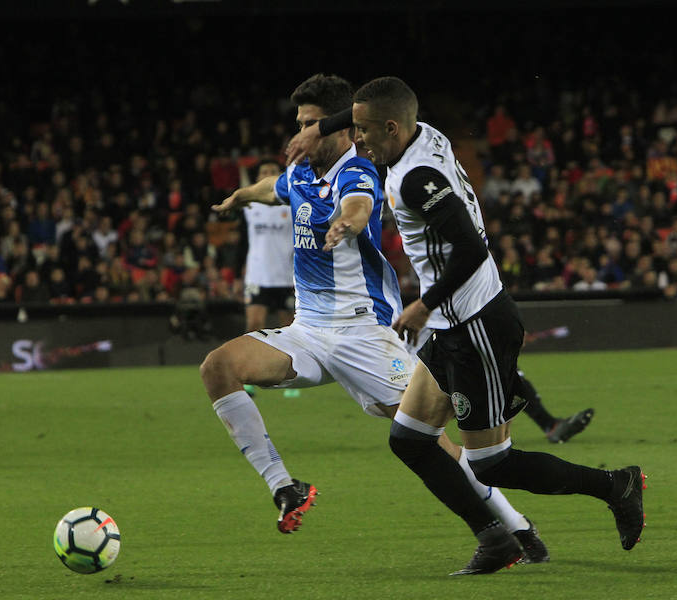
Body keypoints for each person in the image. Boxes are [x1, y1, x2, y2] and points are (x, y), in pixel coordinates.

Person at [286, 76, 646, 575]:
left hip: (475, 325)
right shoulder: (423, 132)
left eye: (363, 131)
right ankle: (496, 541)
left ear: (391, 128)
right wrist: (320, 127)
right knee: (409, 439)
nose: (356, 139)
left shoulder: (415, 179)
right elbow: (371, 109)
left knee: (492, 463)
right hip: (454, 326)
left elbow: (474, 250)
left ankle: (616, 486)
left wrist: (422, 305)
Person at [202, 74, 548, 571]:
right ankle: (286, 487)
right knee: (218, 367)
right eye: (298, 124)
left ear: (344, 129)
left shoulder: (357, 170)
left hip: (364, 333)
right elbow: (271, 189)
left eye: (311, 125)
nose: (301, 134)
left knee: (430, 437)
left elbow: (359, 204)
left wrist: (349, 221)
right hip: (308, 331)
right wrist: (241, 196)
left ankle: (513, 526)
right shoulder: (300, 174)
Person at [237, 160, 296, 398]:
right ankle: (249, 377)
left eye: (273, 172)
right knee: (253, 325)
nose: (268, 175)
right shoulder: (252, 204)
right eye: (263, 172)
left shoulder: (292, 203)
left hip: (286, 276)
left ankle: (289, 379)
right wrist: (241, 168)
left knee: (289, 331)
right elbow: (243, 188)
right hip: (257, 275)